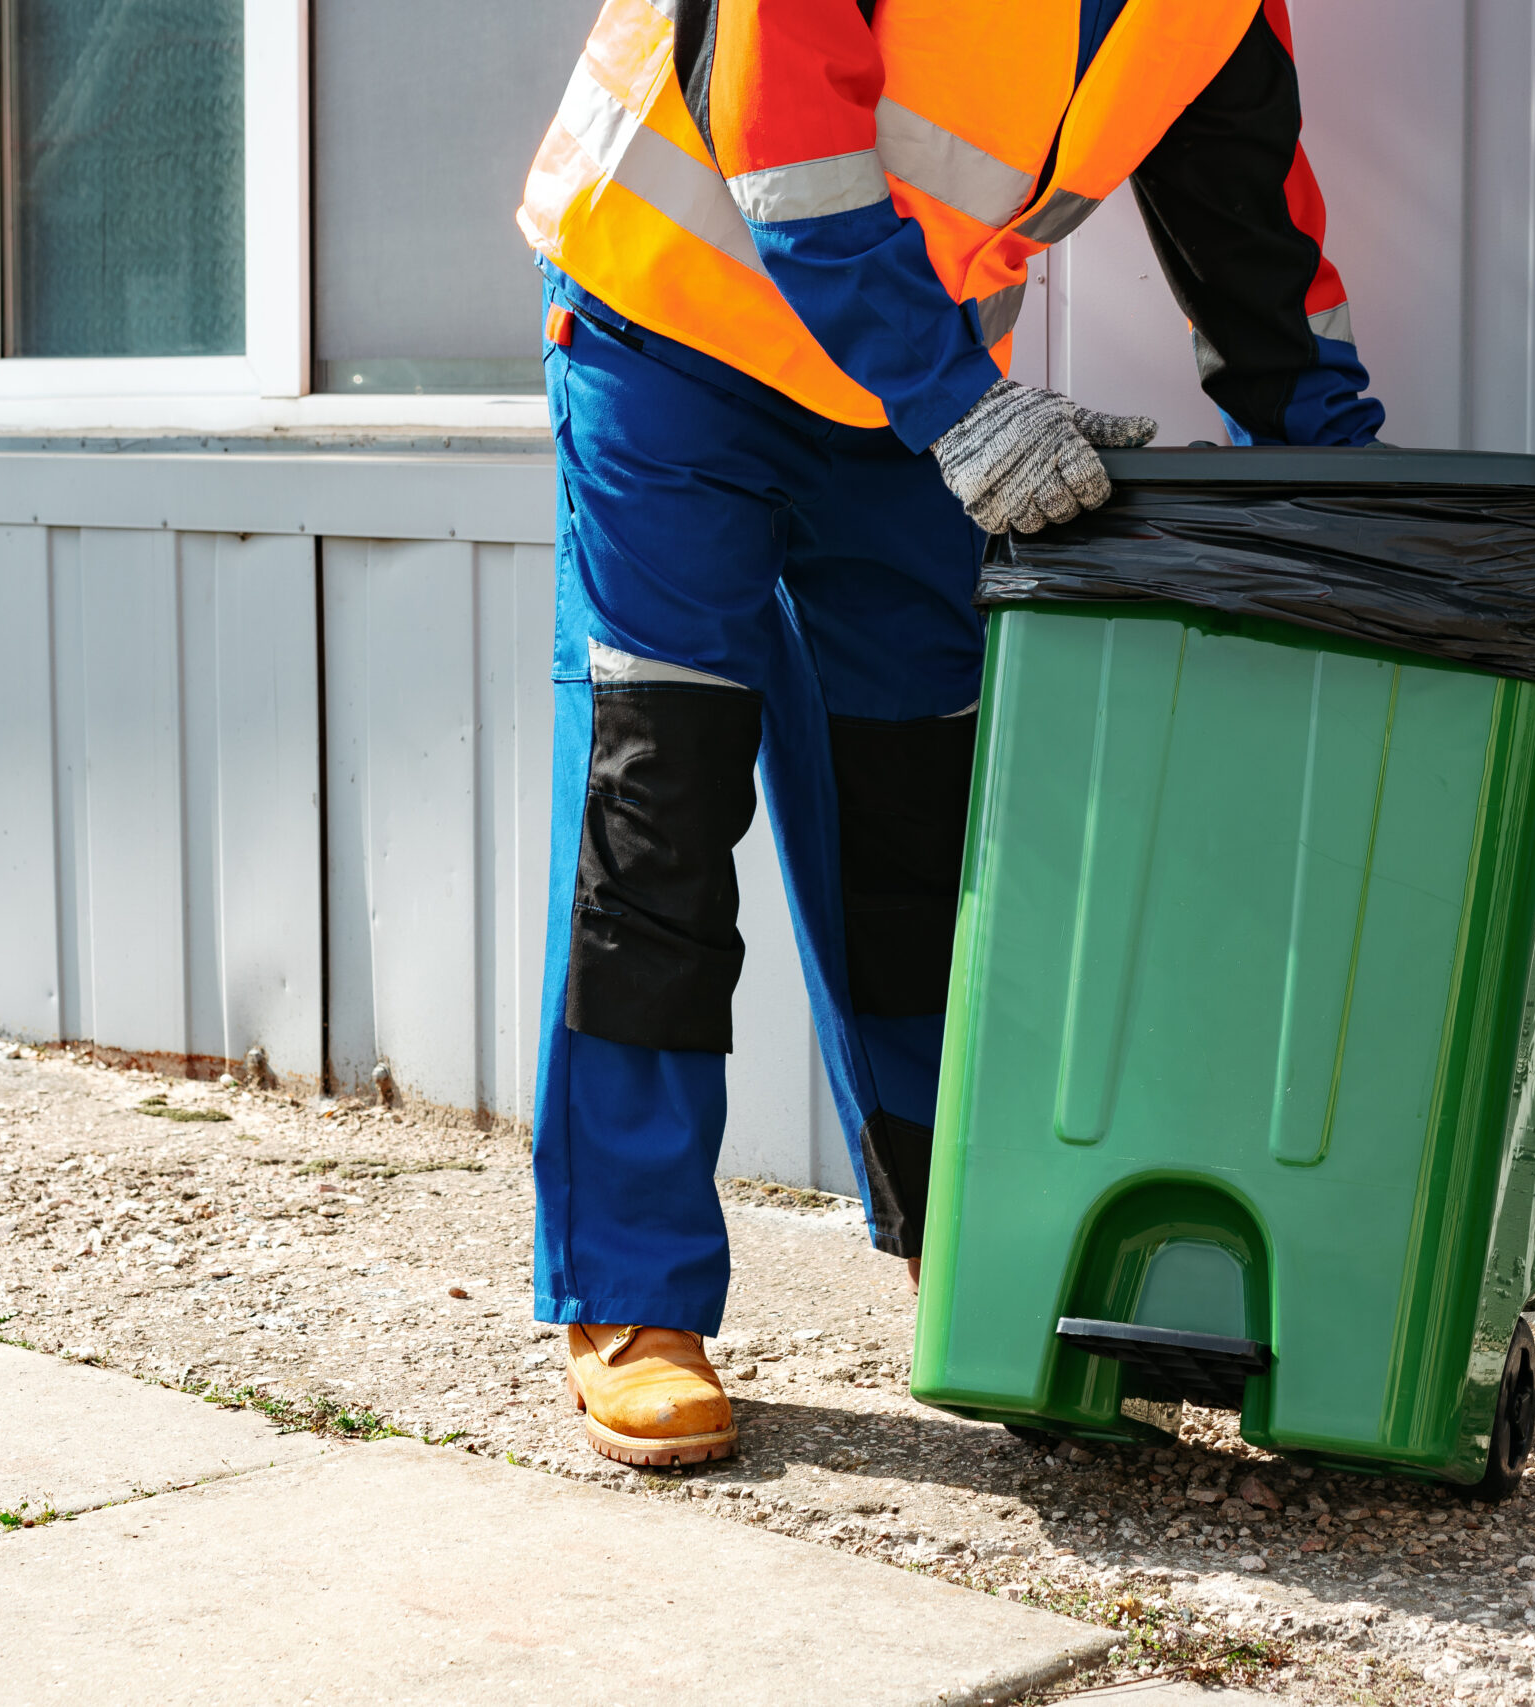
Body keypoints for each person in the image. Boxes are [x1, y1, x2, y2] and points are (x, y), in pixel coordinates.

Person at [517, 0, 1386, 1467]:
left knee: (925, 812)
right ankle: (630, 1295)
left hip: (897, 398)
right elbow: (783, 142)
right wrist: (965, 408)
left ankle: (967, 1261)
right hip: (670, 334)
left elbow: (1259, 261)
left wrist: (1355, 516)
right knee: (658, 792)